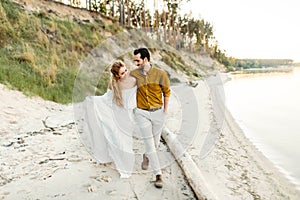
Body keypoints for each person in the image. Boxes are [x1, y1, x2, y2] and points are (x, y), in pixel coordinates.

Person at [81, 60, 137, 178]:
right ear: (116, 76)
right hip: (114, 114)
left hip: (125, 115)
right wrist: (93, 103)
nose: (125, 74)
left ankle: (126, 160)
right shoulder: (113, 84)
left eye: (125, 70)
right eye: (122, 73)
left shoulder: (132, 80)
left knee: (126, 140)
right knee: (116, 137)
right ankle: (120, 162)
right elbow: (107, 99)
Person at [130, 48, 171, 188]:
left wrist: (164, 111)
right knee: (150, 144)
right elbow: (123, 84)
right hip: (142, 113)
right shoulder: (134, 74)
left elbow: (166, 92)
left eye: (137, 60)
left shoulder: (160, 74)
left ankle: (146, 156)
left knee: (156, 143)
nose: (135, 63)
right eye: (134, 60)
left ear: (145, 60)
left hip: (158, 112)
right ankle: (158, 174)